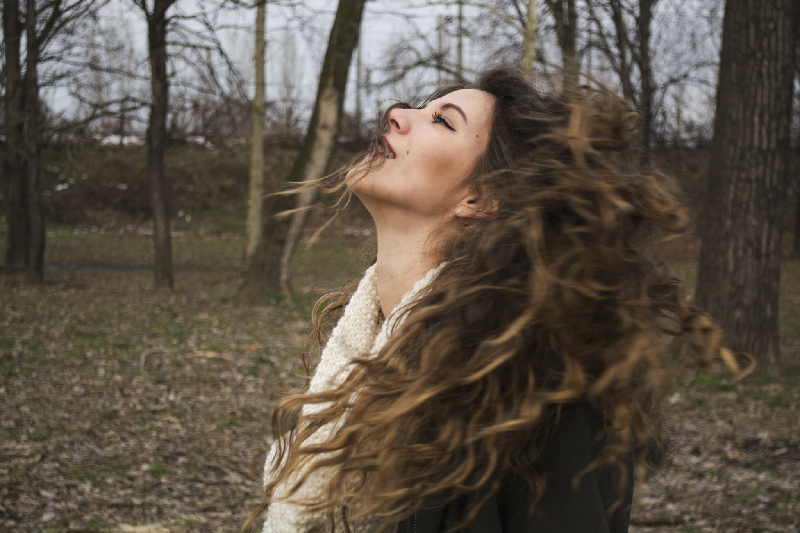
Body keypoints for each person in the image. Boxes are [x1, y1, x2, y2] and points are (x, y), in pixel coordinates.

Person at [245, 67, 750, 533]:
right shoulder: (364, 363)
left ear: (481, 199)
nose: (395, 114)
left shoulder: (536, 390)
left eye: (442, 121)